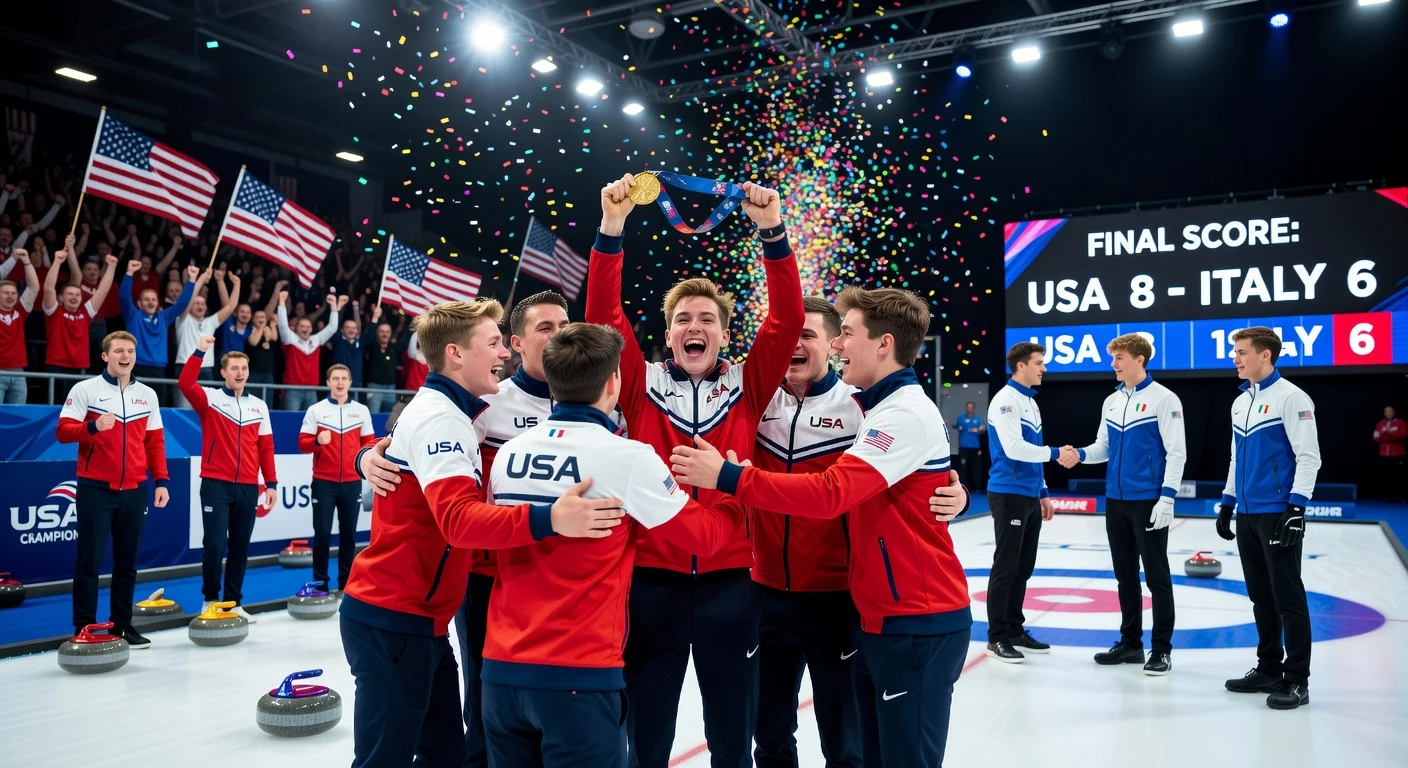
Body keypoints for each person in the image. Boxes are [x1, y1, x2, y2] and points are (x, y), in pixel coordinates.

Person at [671, 286, 971, 768]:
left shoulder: (864, 409)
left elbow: (863, 483)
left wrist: (955, 491)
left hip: (841, 598)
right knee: (768, 735)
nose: (802, 344)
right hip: (766, 591)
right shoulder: (751, 400)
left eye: (813, 335)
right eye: (789, 333)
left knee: (846, 742)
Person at [338, 299, 627, 768]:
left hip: (428, 616)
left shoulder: (457, 406)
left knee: (445, 752)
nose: (503, 356)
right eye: (495, 343)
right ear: (457, 353)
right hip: (415, 607)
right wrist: (551, 518)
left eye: (564, 326)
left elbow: (404, 444)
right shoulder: (467, 410)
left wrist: (368, 453)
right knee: (427, 747)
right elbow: (457, 516)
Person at [587, 173, 803, 768]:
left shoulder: (748, 384)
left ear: (725, 335)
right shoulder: (640, 384)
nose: (694, 328)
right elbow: (605, 316)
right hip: (651, 581)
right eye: (683, 319)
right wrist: (611, 228)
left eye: (707, 319)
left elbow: (785, 320)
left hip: (732, 583)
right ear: (667, 333)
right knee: (648, 736)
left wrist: (774, 235)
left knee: (733, 737)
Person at [480, 322, 753, 766]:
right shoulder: (626, 457)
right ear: (613, 381)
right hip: (578, 673)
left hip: (501, 674)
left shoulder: (510, 453)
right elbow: (705, 537)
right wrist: (732, 490)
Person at [1062, 333, 1185, 675]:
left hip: (1148, 501)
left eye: (1119, 358)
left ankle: (1161, 650)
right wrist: (1079, 455)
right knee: (1125, 577)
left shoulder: (1165, 399)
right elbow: (1104, 447)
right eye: (1113, 357)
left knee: (1157, 578)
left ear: (1139, 359)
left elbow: (1177, 452)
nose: (1113, 364)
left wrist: (1167, 496)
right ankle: (1130, 643)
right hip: (1115, 501)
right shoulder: (1112, 401)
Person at [1216, 326, 1320, 711]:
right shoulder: (1240, 402)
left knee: (1288, 596)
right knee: (1260, 596)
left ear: (1266, 355)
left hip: (1277, 512)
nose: (1236, 359)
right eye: (1235, 352)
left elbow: (1309, 456)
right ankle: (1269, 668)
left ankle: (1296, 680)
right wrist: (1228, 502)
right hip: (1247, 513)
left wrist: (1296, 509)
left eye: (1242, 352)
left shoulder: (1292, 397)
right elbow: (1235, 458)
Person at [55, 331, 169, 648]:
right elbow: (62, 431)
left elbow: (155, 442)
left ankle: (122, 625)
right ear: (105, 356)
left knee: (127, 563)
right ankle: (84, 627)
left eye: (130, 351)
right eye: (118, 351)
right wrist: (92, 426)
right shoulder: (85, 390)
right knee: (88, 562)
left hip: (135, 489)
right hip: (95, 488)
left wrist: (161, 481)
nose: (125, 356)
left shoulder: (148, 394)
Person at [179, 335, 278, 622]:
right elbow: (185, 384)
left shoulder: (259, 406)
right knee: (213, 543)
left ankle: (232, 603)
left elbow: (266, 447)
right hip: (215, 482)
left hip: (248, 485)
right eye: (234, 368)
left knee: (240, 546)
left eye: (244, 368)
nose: (240, 373)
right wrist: (199, 350)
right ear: (223, 372)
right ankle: (210, 600)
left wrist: (270, 483)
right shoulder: (210, 398)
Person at [984, 342, 1066, 663]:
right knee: (1006, 567)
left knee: (1023, 568)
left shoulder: (1030, 402)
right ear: (1021, 366)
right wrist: (1058, 454)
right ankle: (997, 636)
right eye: (1038, 363)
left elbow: (1034, 449)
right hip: (1008, 492)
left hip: (1029, 493)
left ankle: (1015, 629)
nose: (1043, 368)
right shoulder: (1005, 401)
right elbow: (1015, 448)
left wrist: (1043, 491)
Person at [298, 364, 376, 591]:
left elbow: (369, 446)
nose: (340, 383)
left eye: (344, 378)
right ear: (328, 383)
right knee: (321, 535)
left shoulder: (361, 410)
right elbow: (302, 444)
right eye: (335, 379)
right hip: (323, 482)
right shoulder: (316, 410)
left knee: (348, 536)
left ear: (350, 383)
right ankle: (320, 585)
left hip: (352, 483)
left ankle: (346, 583)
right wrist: (316, 442)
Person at [42, 243, 116, 401]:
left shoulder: (85, 312)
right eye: (70, 294)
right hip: (56, 367)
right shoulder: (54, 311)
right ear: (61, 297)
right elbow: (48, 288)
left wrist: (111, 267)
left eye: (77, 295)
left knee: (74, 412)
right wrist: (56, 262)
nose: (74, 297)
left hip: (78, 368)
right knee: (54, 409)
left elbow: (102, 291)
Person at [119, 260, 196, 401]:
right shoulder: (133, 315)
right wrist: (129, 273)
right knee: (134, 408)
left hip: (159, 370)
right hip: (136, 368)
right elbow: (124, 297)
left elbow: (182, 304)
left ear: (158, 302)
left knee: (157, 409)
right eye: (146, 299)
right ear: (139, 303)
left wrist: (191, 281)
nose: (150, 302)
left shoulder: (164, 317)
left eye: (153, 299)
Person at [173, 269, 239, 406]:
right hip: (186, 368)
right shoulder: (182, 320)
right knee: (184, 409)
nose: (200, 306)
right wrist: (201, 279)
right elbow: (187, 300)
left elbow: (231, 306)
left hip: (206, 371)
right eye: (197, 303)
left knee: (206, 411)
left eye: (203, 304)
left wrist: (237, 284)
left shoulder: (210, 322)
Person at [277, 291, 341, 411]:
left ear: (311, 329)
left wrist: (333, 307)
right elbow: (283, 326)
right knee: (292, 422)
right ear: (296, 329)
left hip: (311, 391)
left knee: (310, 427)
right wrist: (281, 303)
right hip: (293, 390)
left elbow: (332, 328)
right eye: (302, 326)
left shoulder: (316, 340)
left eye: (308, 327)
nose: (305, 329)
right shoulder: (290, 338)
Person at [0, 248, 39, 403]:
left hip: (18, 374)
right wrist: (12, 259)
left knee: (17, 419)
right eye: (5, 293)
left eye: (13, 293)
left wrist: (27, 261)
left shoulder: (20, 311)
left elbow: (33, 287)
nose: (10, 296)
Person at [331, 302, 375, 389]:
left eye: (354, 328)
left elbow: (370, 334)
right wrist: (339, 310)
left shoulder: (360, 342)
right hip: (339, 384)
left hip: (355, 384)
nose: (351, 330)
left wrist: (375, 317)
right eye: (348, 328)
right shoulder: (338, 340)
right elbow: (334, 327)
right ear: (342, 330)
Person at [363, 318, 402, 413]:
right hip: (373, 388)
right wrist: (375, 318)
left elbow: (406, 339)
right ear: (376, 333)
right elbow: (368, 336)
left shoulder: (394, 348)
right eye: (382, 331)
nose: (385, 334)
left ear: (391, 333)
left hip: (391, 389)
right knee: (373, 417)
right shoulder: (371, 346)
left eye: (387, 331)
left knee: (388, 421)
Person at [1373, 406, 1405, 502]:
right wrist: (1387, 434)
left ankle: (1400, 496)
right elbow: (1376, 438)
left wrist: (1386, 435)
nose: (1388, 413)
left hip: (1397, 454)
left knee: (1398, 476)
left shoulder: (1400, 423)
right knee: (1385, 476)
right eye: (1386, 412)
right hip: (1384, 454)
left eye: (1390, 411)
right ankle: (1386, 497)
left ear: (1394, 412)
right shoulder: (1380, 424)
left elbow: (1402, 436)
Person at [953, 401, 986, 490]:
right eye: (968, 407)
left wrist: (979, 430)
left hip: (975, 446)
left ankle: (977, 487)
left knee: (976, 467)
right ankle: (964, 486)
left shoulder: (978, 418)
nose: (969, 409)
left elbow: (983, 430)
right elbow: (955, 426)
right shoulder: (961, 418)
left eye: (971, 407)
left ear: (973, 408)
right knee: (963, 467)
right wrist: (958, 428)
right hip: (963, 446)